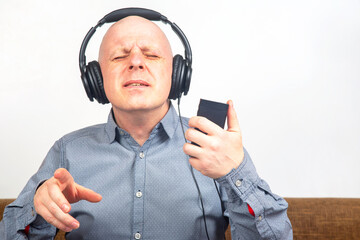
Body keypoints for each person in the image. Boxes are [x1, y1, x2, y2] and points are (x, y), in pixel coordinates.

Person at [0, 12, 292, 240]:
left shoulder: (214, 144)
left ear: (177, 74)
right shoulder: (68, 151)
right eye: (119, 56)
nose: (136, 62)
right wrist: (38, 209)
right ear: (96, 79)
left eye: (151, 54)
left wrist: (235, 172)